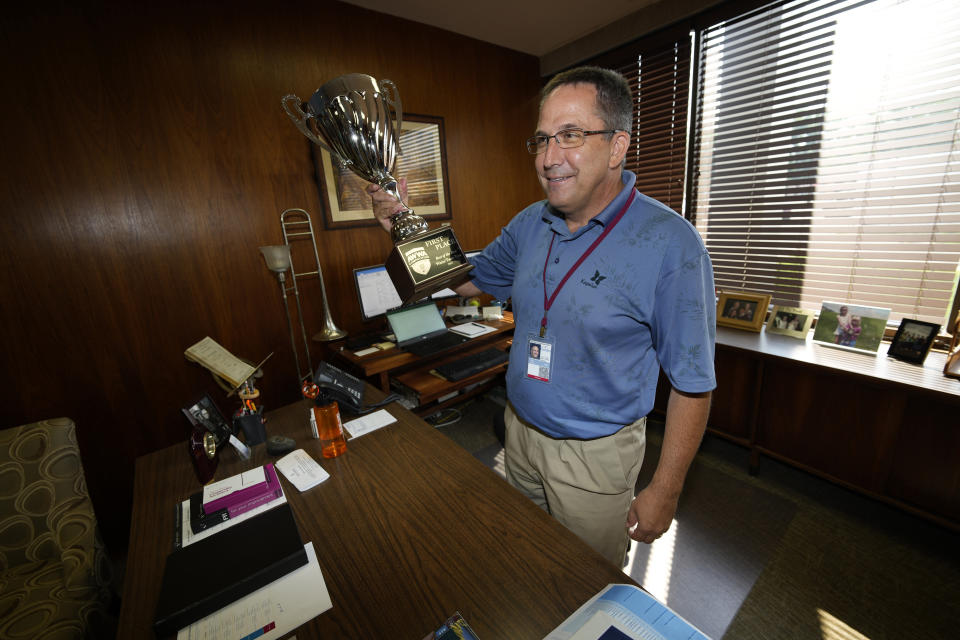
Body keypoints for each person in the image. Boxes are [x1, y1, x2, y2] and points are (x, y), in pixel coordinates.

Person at [368, 66, 716, 566]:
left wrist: (666, 488)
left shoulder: (671, 245)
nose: (549, 159)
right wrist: (402, 223)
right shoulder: (533, 221)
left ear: (618, 146)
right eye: (542, 140)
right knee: (521, 556)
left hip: (594, 457)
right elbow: (470, 278)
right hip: (520, 431)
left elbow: (694, 384)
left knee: (586, 582)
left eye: (571, 136)